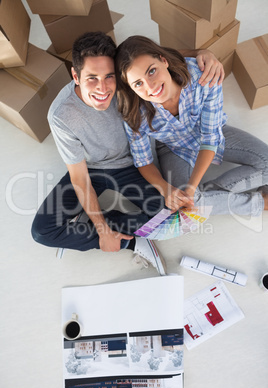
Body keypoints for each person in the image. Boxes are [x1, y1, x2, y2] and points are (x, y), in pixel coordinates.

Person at [31, 31, 225, 274]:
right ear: (75, 76)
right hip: (90, 169)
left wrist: (202, 54)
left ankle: (104, 222)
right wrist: (101, 230)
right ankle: (130, 240)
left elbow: (153, 59)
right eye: (91, 78)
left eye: (109, 76)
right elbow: (79, 177)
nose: (102, 88)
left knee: (168, 215)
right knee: (42, 231)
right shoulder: (61, 114)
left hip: (132, 165)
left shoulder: (130, 85)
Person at [115, 35, 268, 217]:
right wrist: (166, 190)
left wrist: (192, 188)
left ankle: (204, 199)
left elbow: (210, 138)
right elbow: (143, 161)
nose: (150, 86)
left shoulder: (201, 76)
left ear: (163, 61)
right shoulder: (134, 113)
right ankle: (259, 203)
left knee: (189, 203)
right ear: (131, 88)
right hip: (172, 148)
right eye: (138, 83)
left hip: (210, 133)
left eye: (151, 71)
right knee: (185, 204)